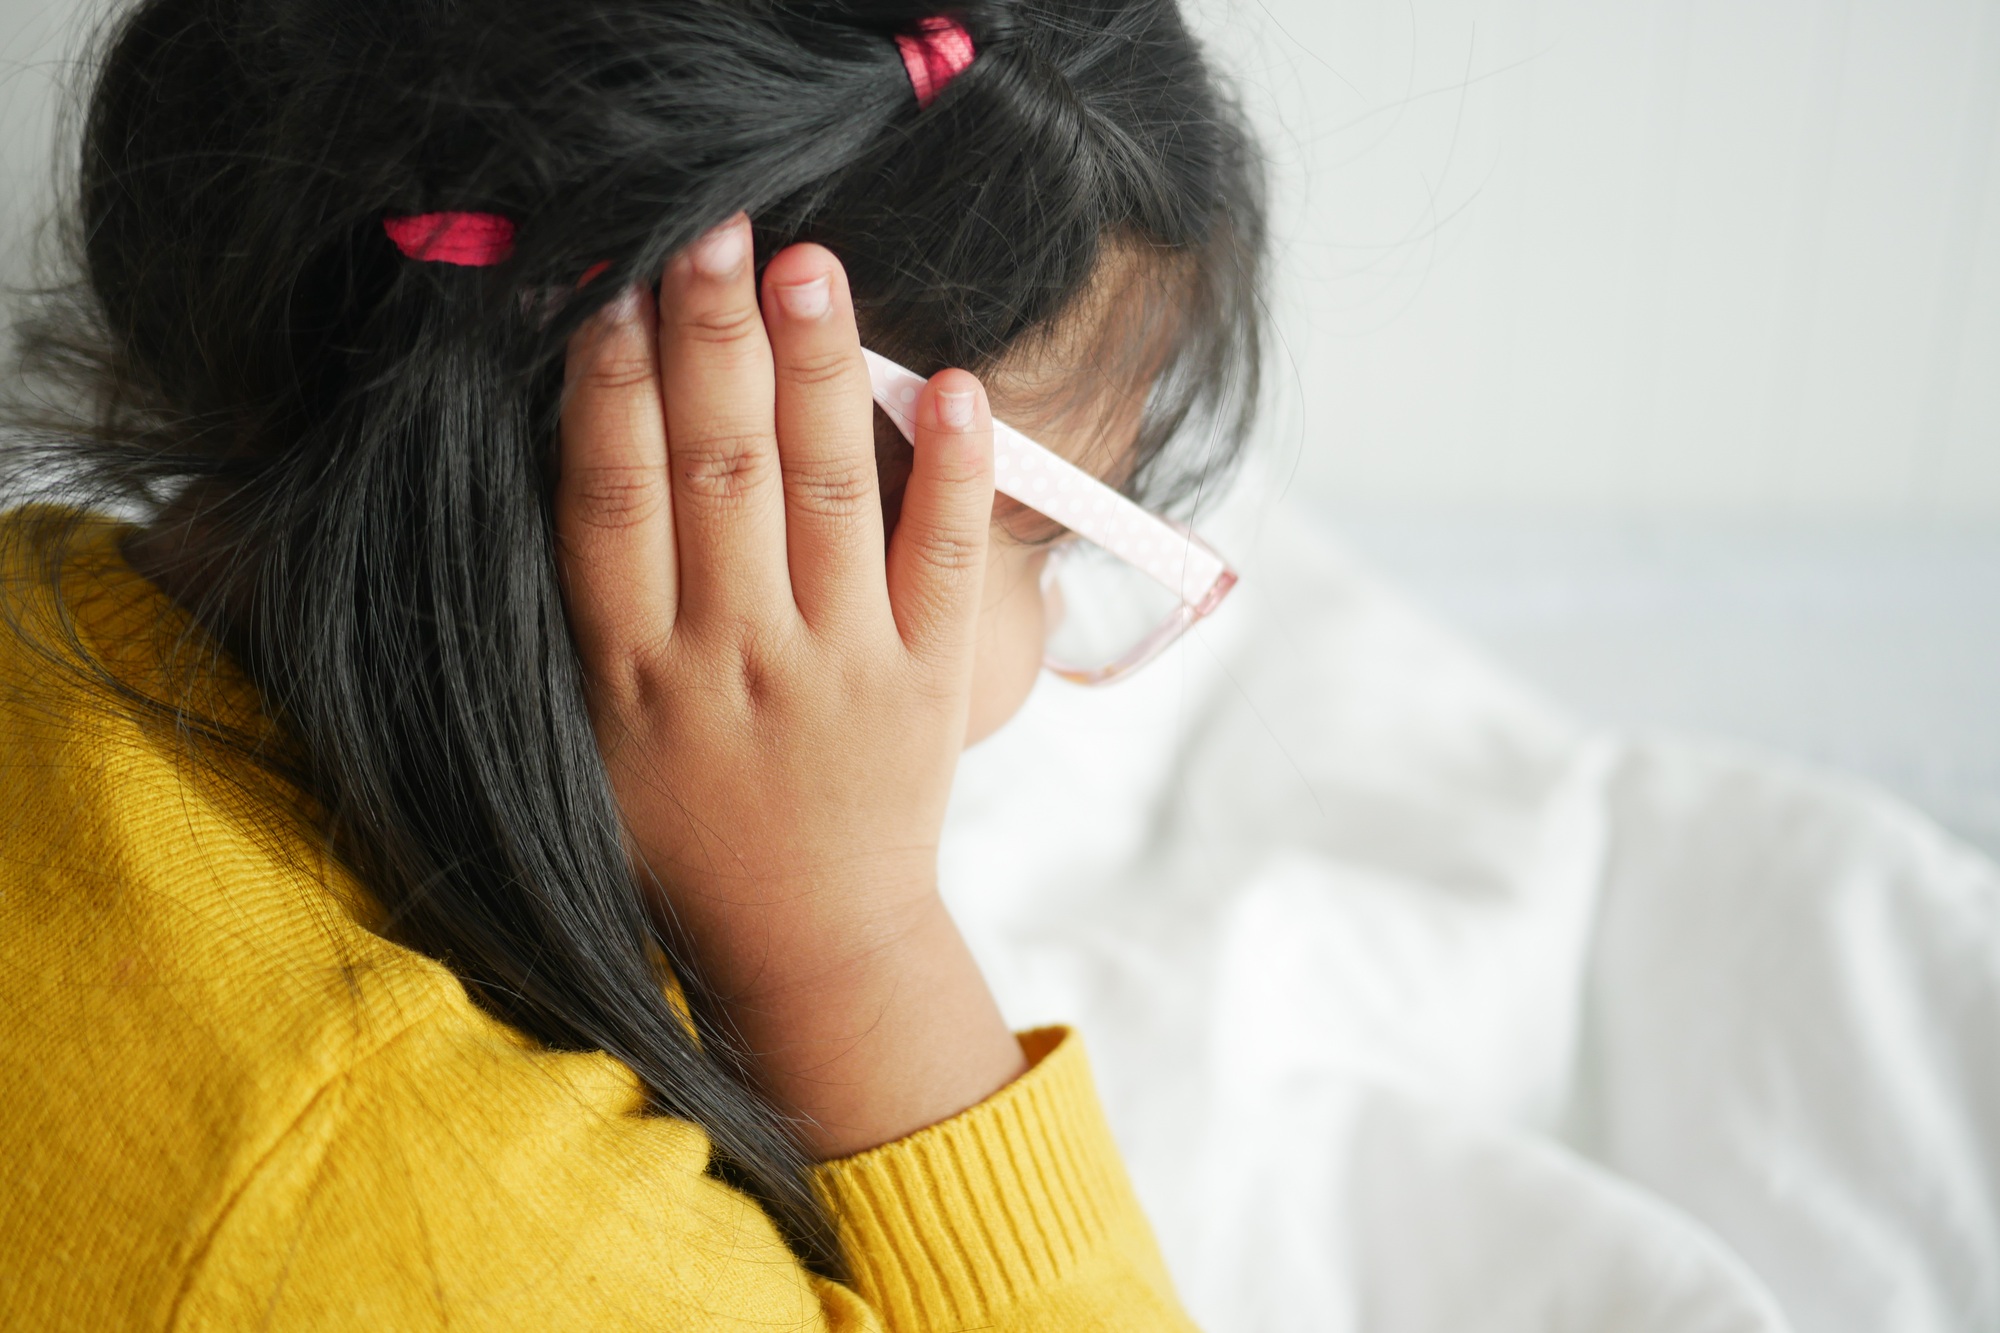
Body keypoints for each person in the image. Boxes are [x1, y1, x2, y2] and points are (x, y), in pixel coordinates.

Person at [0, 0, 1263, 1326]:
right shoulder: (486, 1239)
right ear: (703, 458)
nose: (1047, 635)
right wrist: (853, 952)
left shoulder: (41, 589)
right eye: (1045, 538)